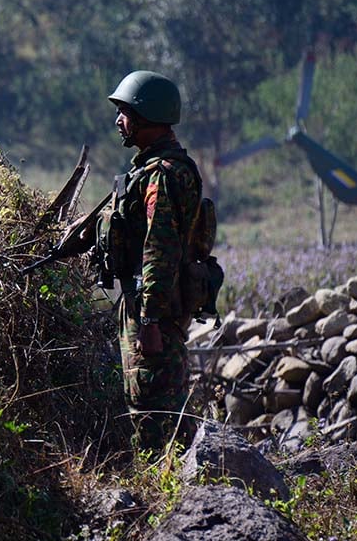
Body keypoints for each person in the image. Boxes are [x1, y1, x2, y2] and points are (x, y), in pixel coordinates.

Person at [104, 71, 202, 450]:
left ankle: (165, 486)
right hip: (153, 305)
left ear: (148, 118)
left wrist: (149, 319)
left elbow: (158, 251)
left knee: (152, 407)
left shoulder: (161, 176)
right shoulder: (152, 169)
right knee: (151, 400)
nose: (119, 121)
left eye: (125, 112)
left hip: (153, 309)